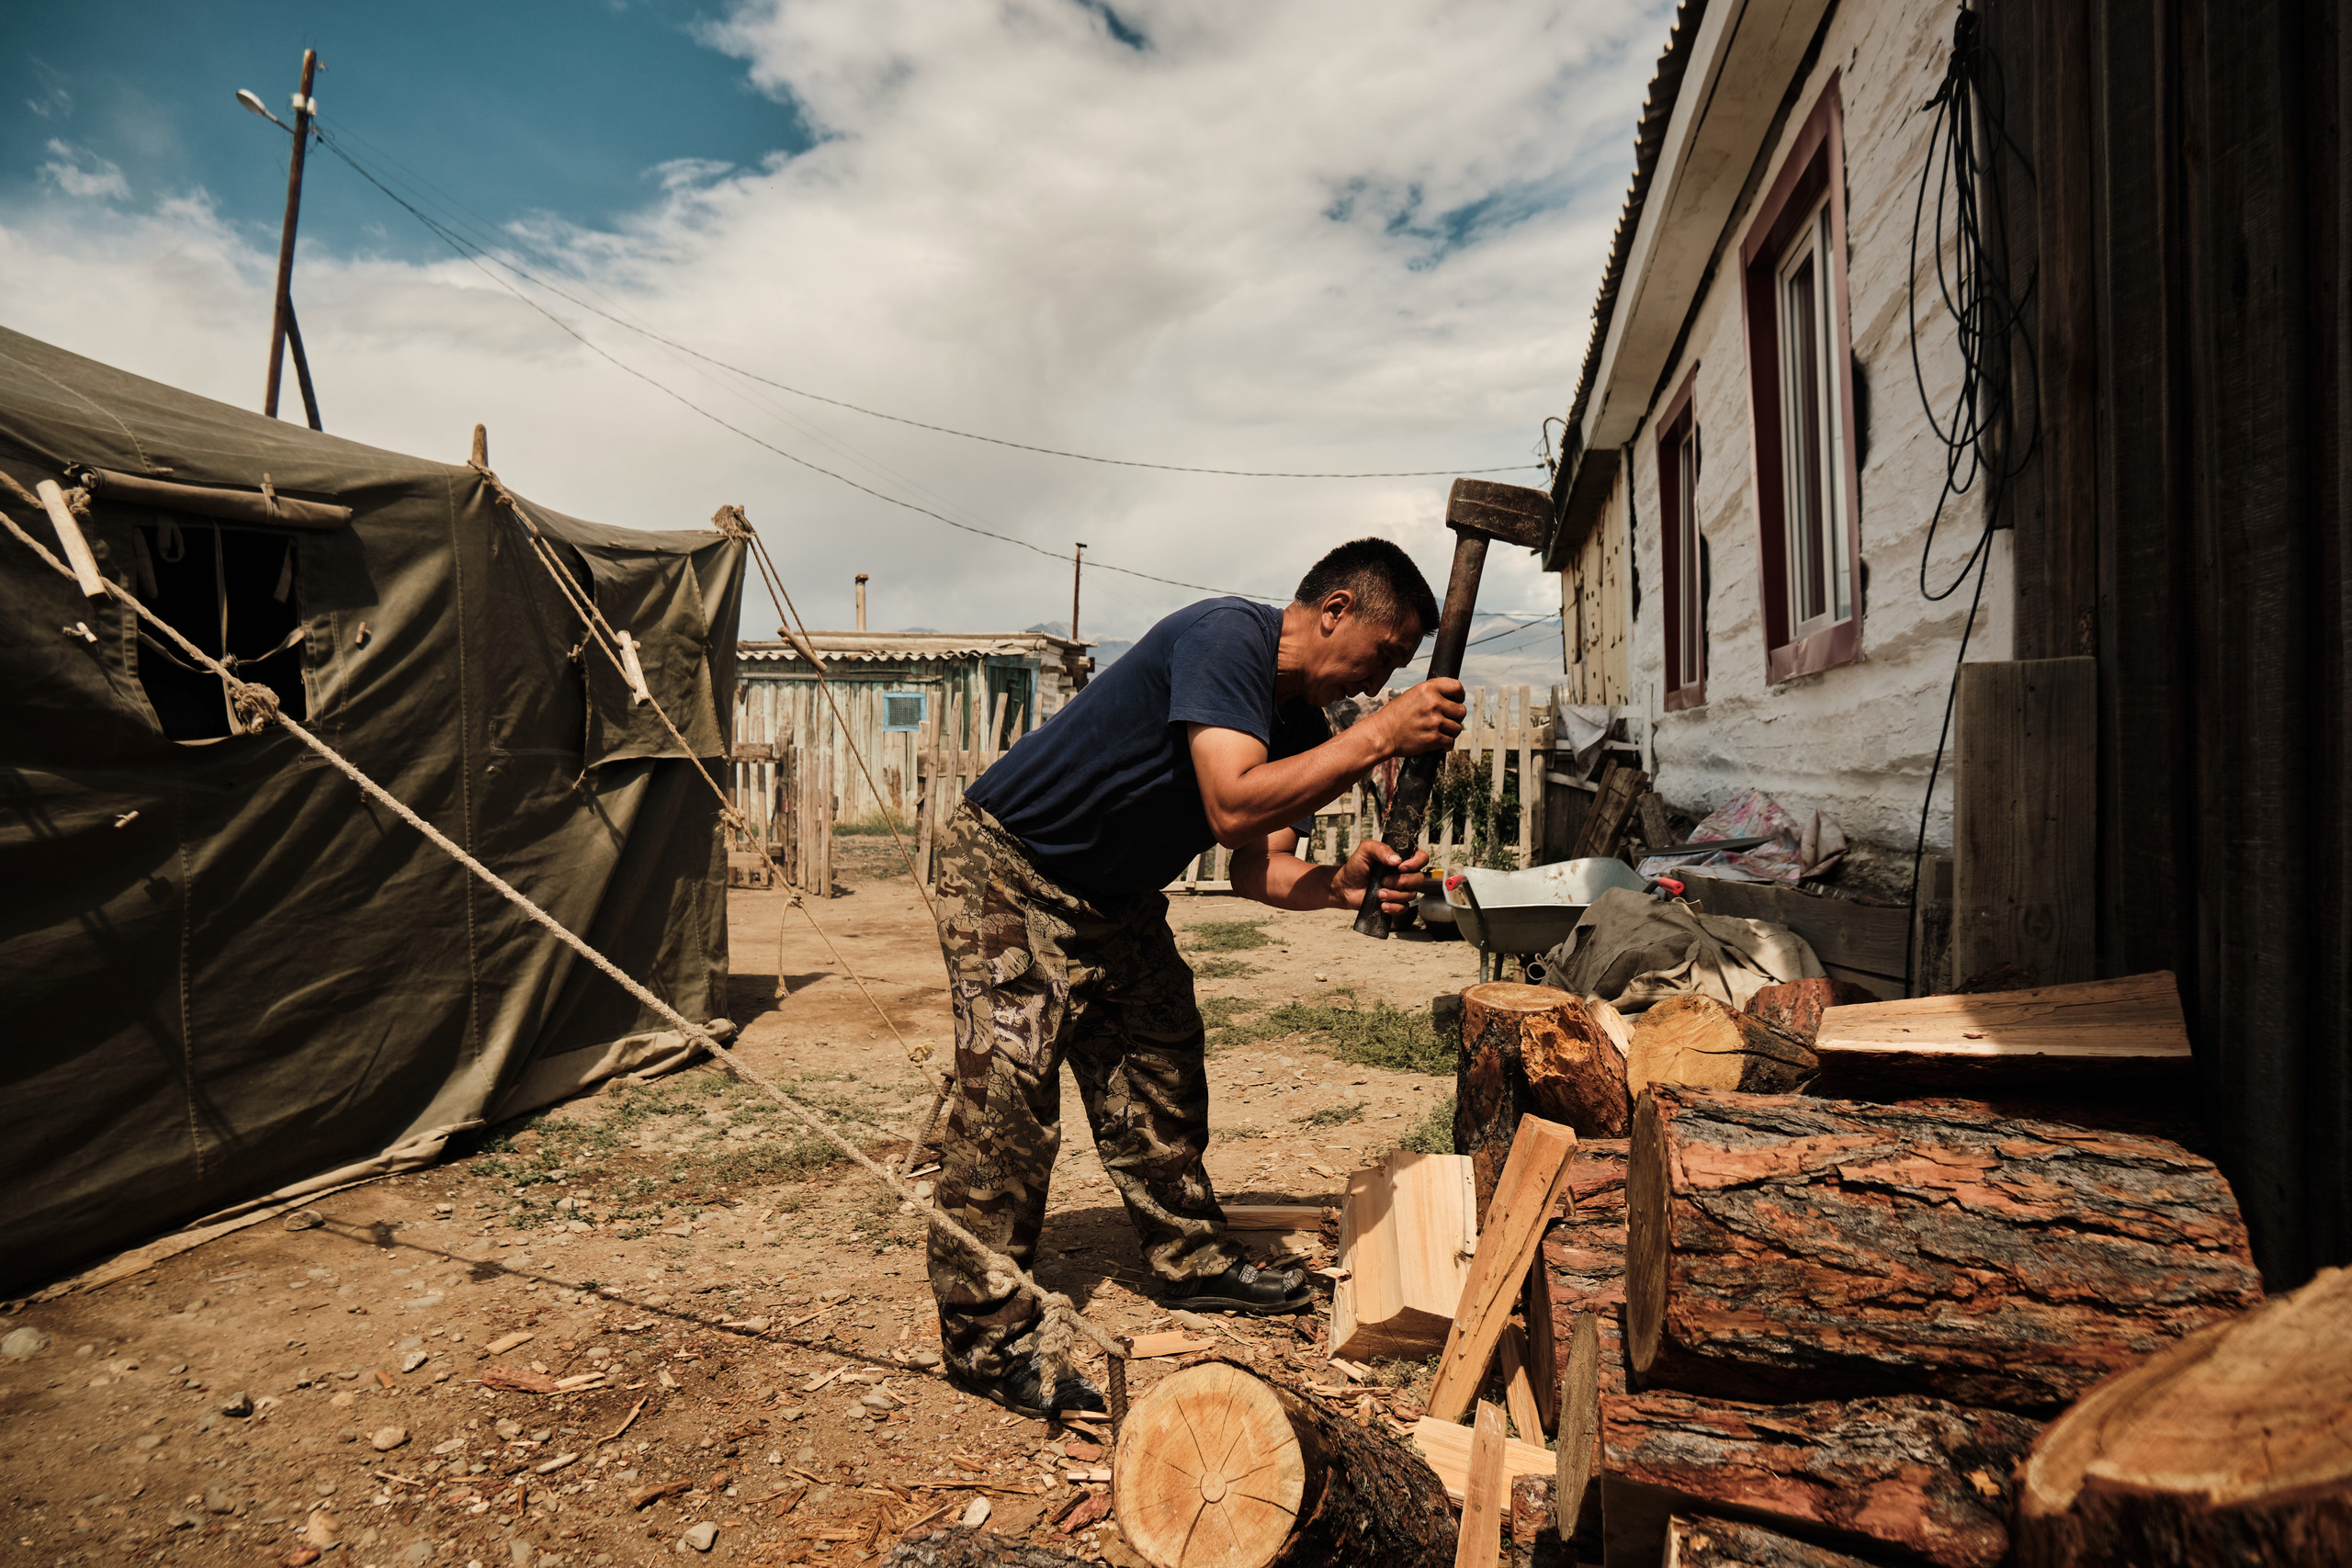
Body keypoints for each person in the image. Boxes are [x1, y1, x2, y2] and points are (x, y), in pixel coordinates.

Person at [927, 537, 1466, 1418]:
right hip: (1011, 869)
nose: (1376, 684)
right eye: (1381, 654)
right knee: (1011, 1099)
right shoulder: (1228, 640)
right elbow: (1230, 801)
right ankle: (987, 1336)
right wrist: (1380, 736)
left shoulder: (1298, 720)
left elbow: (1258, 864)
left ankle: (1193, 1261)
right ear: (1334, 609)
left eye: (1396, 671)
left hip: (1117, 893)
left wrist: (1338, 885)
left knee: (1161, 1057)